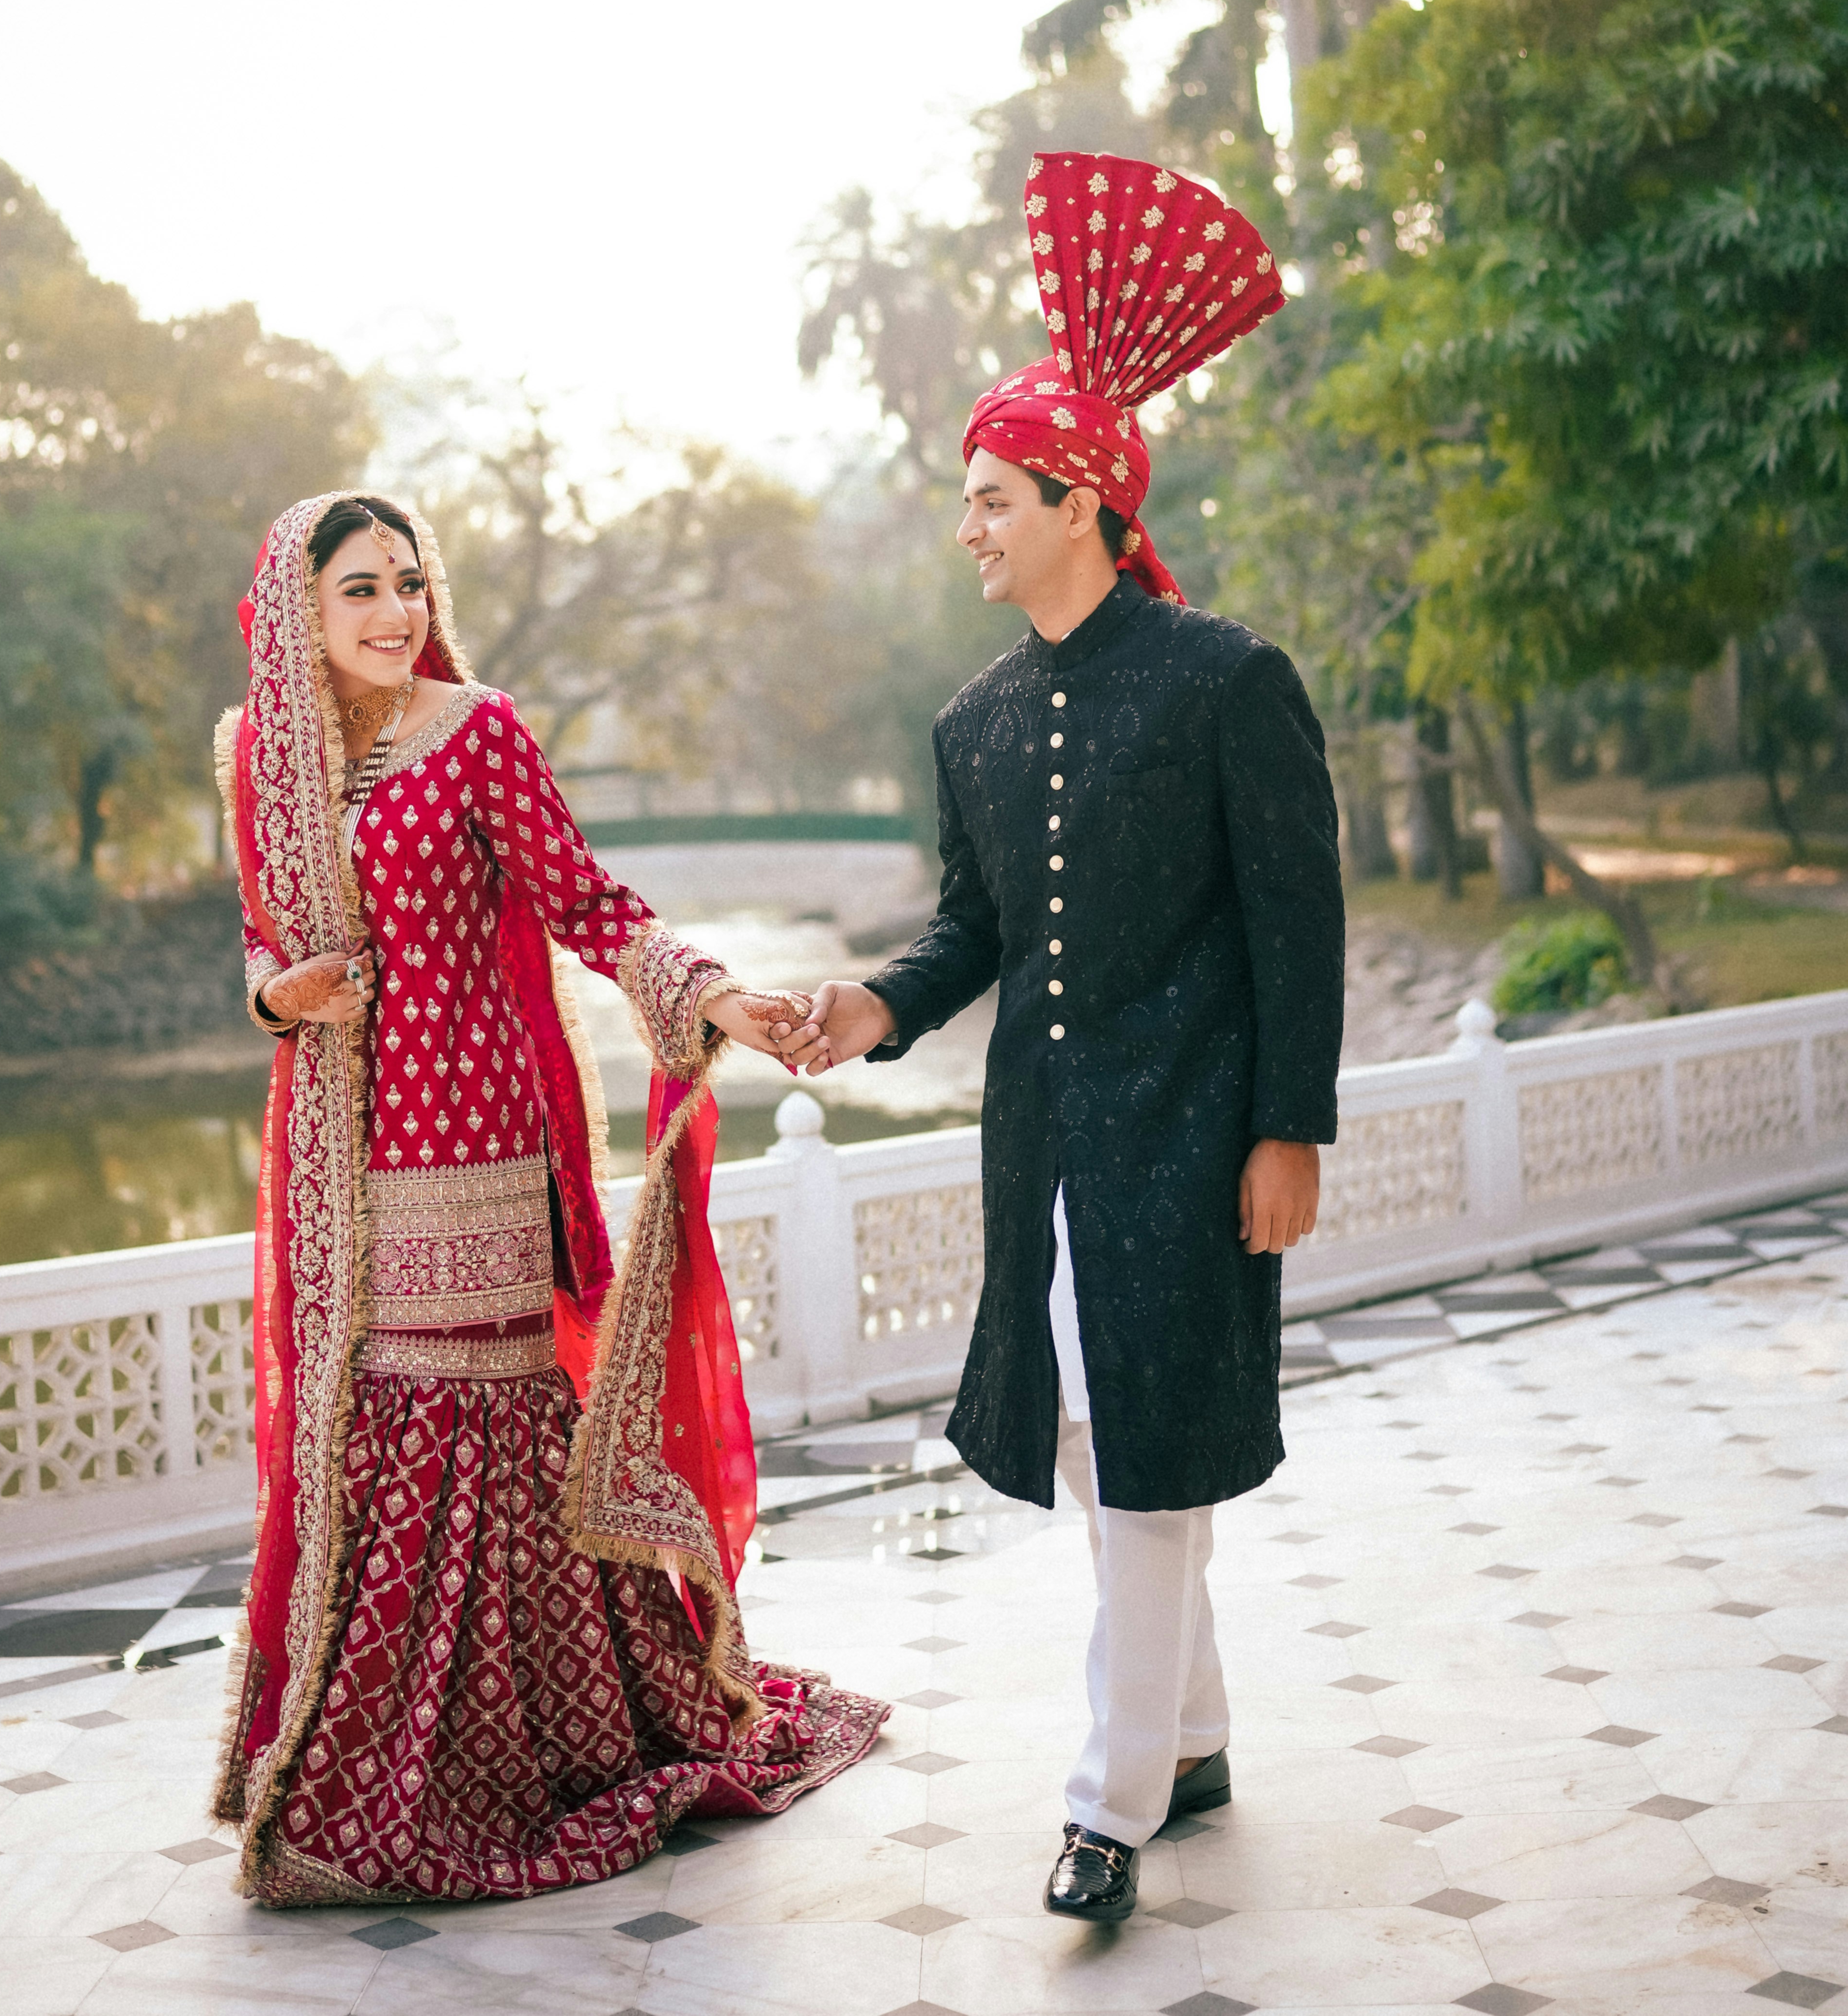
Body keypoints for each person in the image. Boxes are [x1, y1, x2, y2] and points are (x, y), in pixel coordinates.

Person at [784, 153, 1345, 1925]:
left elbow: (1294, 923)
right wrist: (873, 1006)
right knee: (1112, 1446)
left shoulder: (1225, 680)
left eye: (988, 496)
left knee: (1147, 1438)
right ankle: (1187, 1739)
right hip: (1042, 1139)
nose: (965, 526)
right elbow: (975, 930)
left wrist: (1289, 1128)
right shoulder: (970, 717)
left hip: (1195, 1132)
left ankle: (1107, 1803)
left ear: (1081, 500)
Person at [211, 488, 885, 1908]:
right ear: (297, 614)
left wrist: (712, 998)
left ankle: (511, 1757)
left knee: (477, 1430)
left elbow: (586, 901)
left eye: (409, 583)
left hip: (477, 1148)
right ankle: (359, 1765)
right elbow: (261, 946)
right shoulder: (256, 760)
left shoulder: (478, 731)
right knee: (371, 1436)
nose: (398, 612)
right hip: (344, 1162)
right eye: (360, 592)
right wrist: (285, 995)